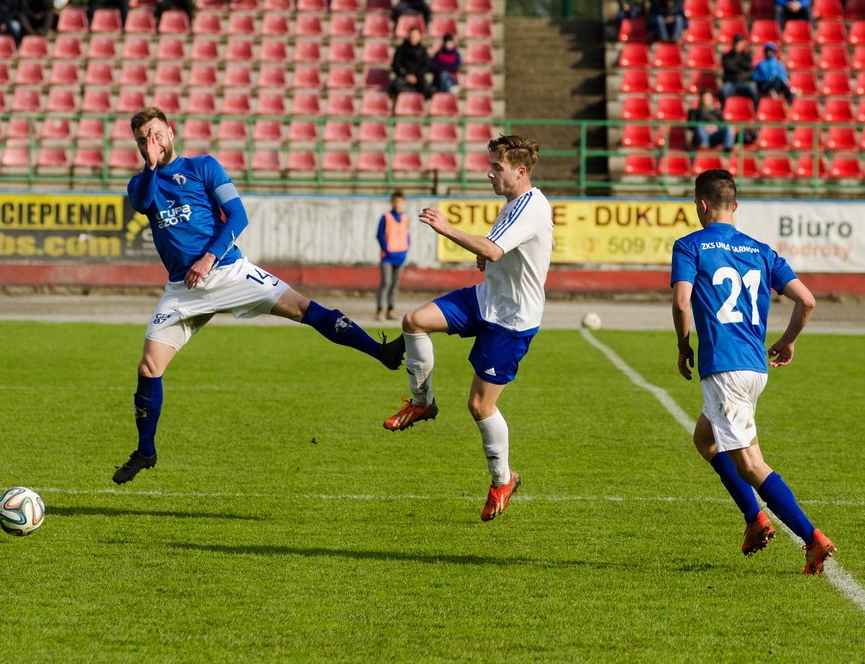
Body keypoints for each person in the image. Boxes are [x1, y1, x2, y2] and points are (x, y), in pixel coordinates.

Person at [112, 107, 406, 485]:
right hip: (184, 289)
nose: (149, 143)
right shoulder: (141, 183)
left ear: (171, 132)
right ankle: (145, 451)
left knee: (303, 308)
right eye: (142, 140)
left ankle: (381, 352)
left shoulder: (204, 167)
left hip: (230, 271)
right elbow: (142, 202)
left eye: (155, 134)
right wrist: (152, 165)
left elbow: (238, 216)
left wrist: (209, 256)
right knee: (148, 368)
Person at [671, 168, 836, 574]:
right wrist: (789, 340)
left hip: (724, 367)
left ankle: (812, 538)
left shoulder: (690, 245)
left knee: (750, 464)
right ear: (736, 206)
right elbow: (807, 301)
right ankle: (754, 519)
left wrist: (683, 345)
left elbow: (681, 302)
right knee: (705, 439)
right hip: (754, 366)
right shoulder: (761, 250)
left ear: (702, 205)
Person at [383, 135, 554, 522]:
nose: (489, 173)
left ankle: (503, 480)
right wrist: (490, 259)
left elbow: (495, 248)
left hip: (512, 319)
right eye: (490, 165)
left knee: (480, 405)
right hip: (486, 298)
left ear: (520, 171)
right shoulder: (514, 203)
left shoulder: (533, 206)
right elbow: (505, 249)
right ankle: (422, 402)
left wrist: (447, 229)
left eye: (497, 166)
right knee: (414, 321)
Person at [376, 190, 411, 321]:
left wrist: (406, 250)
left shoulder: (405, 218)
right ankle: (380, 309)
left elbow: (407, 235)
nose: (398, 204)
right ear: (392, 202)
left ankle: (391, 309)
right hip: (387, 256)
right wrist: (386, 250)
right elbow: (379, 235)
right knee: (386, 282)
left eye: (400, 202)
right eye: (396, 201)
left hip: (400, 256)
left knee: (395, 285)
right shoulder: (386, 216)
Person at [389, 26, 432, 101]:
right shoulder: (401, 49)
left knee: (427, 89)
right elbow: (396, 64)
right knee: (395, 86)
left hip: (418, 76)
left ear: (419, 37)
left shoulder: (422, 50)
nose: (413, 38)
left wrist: (417, 76)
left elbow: (426, 65)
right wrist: (406, 75)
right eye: (412, 36)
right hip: (403, 76)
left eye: (415, 36)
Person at [720, 34, 759, 107]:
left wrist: (736, 66)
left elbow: (749, 68)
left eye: (739, 43)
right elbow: (728, 67)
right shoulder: (726, 56)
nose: (737, 45)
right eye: (736, 43)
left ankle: (754, 111)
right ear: (733, 43)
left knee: (754, 91)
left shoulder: (747, 56)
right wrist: (742, 67)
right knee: (724, 91)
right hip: (731, 82)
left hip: (744, 82)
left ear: (743, 44)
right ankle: (725, 110)